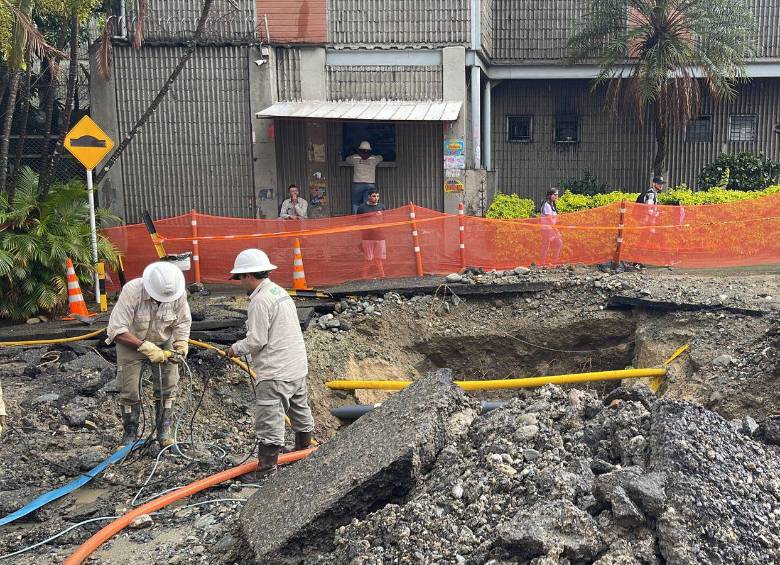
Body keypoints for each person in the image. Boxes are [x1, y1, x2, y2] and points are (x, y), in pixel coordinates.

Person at [226, 248, 315, 480]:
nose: (240, 283)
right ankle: (302, 454)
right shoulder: (279, 292)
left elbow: (257, 339)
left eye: (240, 278)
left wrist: (235, 348)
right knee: (300, 410)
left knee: (269, 418)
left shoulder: (260, 300)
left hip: (276, 370)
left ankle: (266, 471)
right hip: (295, 365)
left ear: (248, 275)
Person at [106, 261, 192, 448]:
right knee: (129, 389)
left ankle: (164, 432)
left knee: (168, 386)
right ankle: (130, 435)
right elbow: (116, 330)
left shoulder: (177, 293)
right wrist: (146, 348)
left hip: (164, 339)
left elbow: (183, 322)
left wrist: (181, 343)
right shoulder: (132, 291)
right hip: (131, 341)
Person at [356, 190, 387, 278]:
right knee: (368, 259)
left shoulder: (382, 206)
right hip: (367, 237)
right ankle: (364, 277)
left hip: (380, 236)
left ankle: (382, 276)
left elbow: (386, 220)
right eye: (374, 196)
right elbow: (358, 222)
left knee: (378, 259)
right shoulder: (361, 208)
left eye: (377, 196)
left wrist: (380, 217)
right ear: (369, 197)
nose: (376, 198)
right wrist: (372, 217)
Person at [346, 140, 383, 214]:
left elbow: (347, 159)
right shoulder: (374, 159)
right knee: (367, 204)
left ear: (360, 150)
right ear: (369, 150)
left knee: (355, 203)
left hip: (357, 184)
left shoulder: (354, 158)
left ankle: (356, 220)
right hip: (370, 184)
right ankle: (366, 220)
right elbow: (381, 157)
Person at [540, 188, 563, 266]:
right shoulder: (546, 205)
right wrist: (556, 230)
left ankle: (553, 262)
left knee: (558, 243)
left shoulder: (552, 204)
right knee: (546, 245)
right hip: (547, 229)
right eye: (555, 194)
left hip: (551, 229)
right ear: (550, 195)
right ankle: (542, 263)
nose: (556, 196)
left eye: (557, 195)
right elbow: (549, 220)